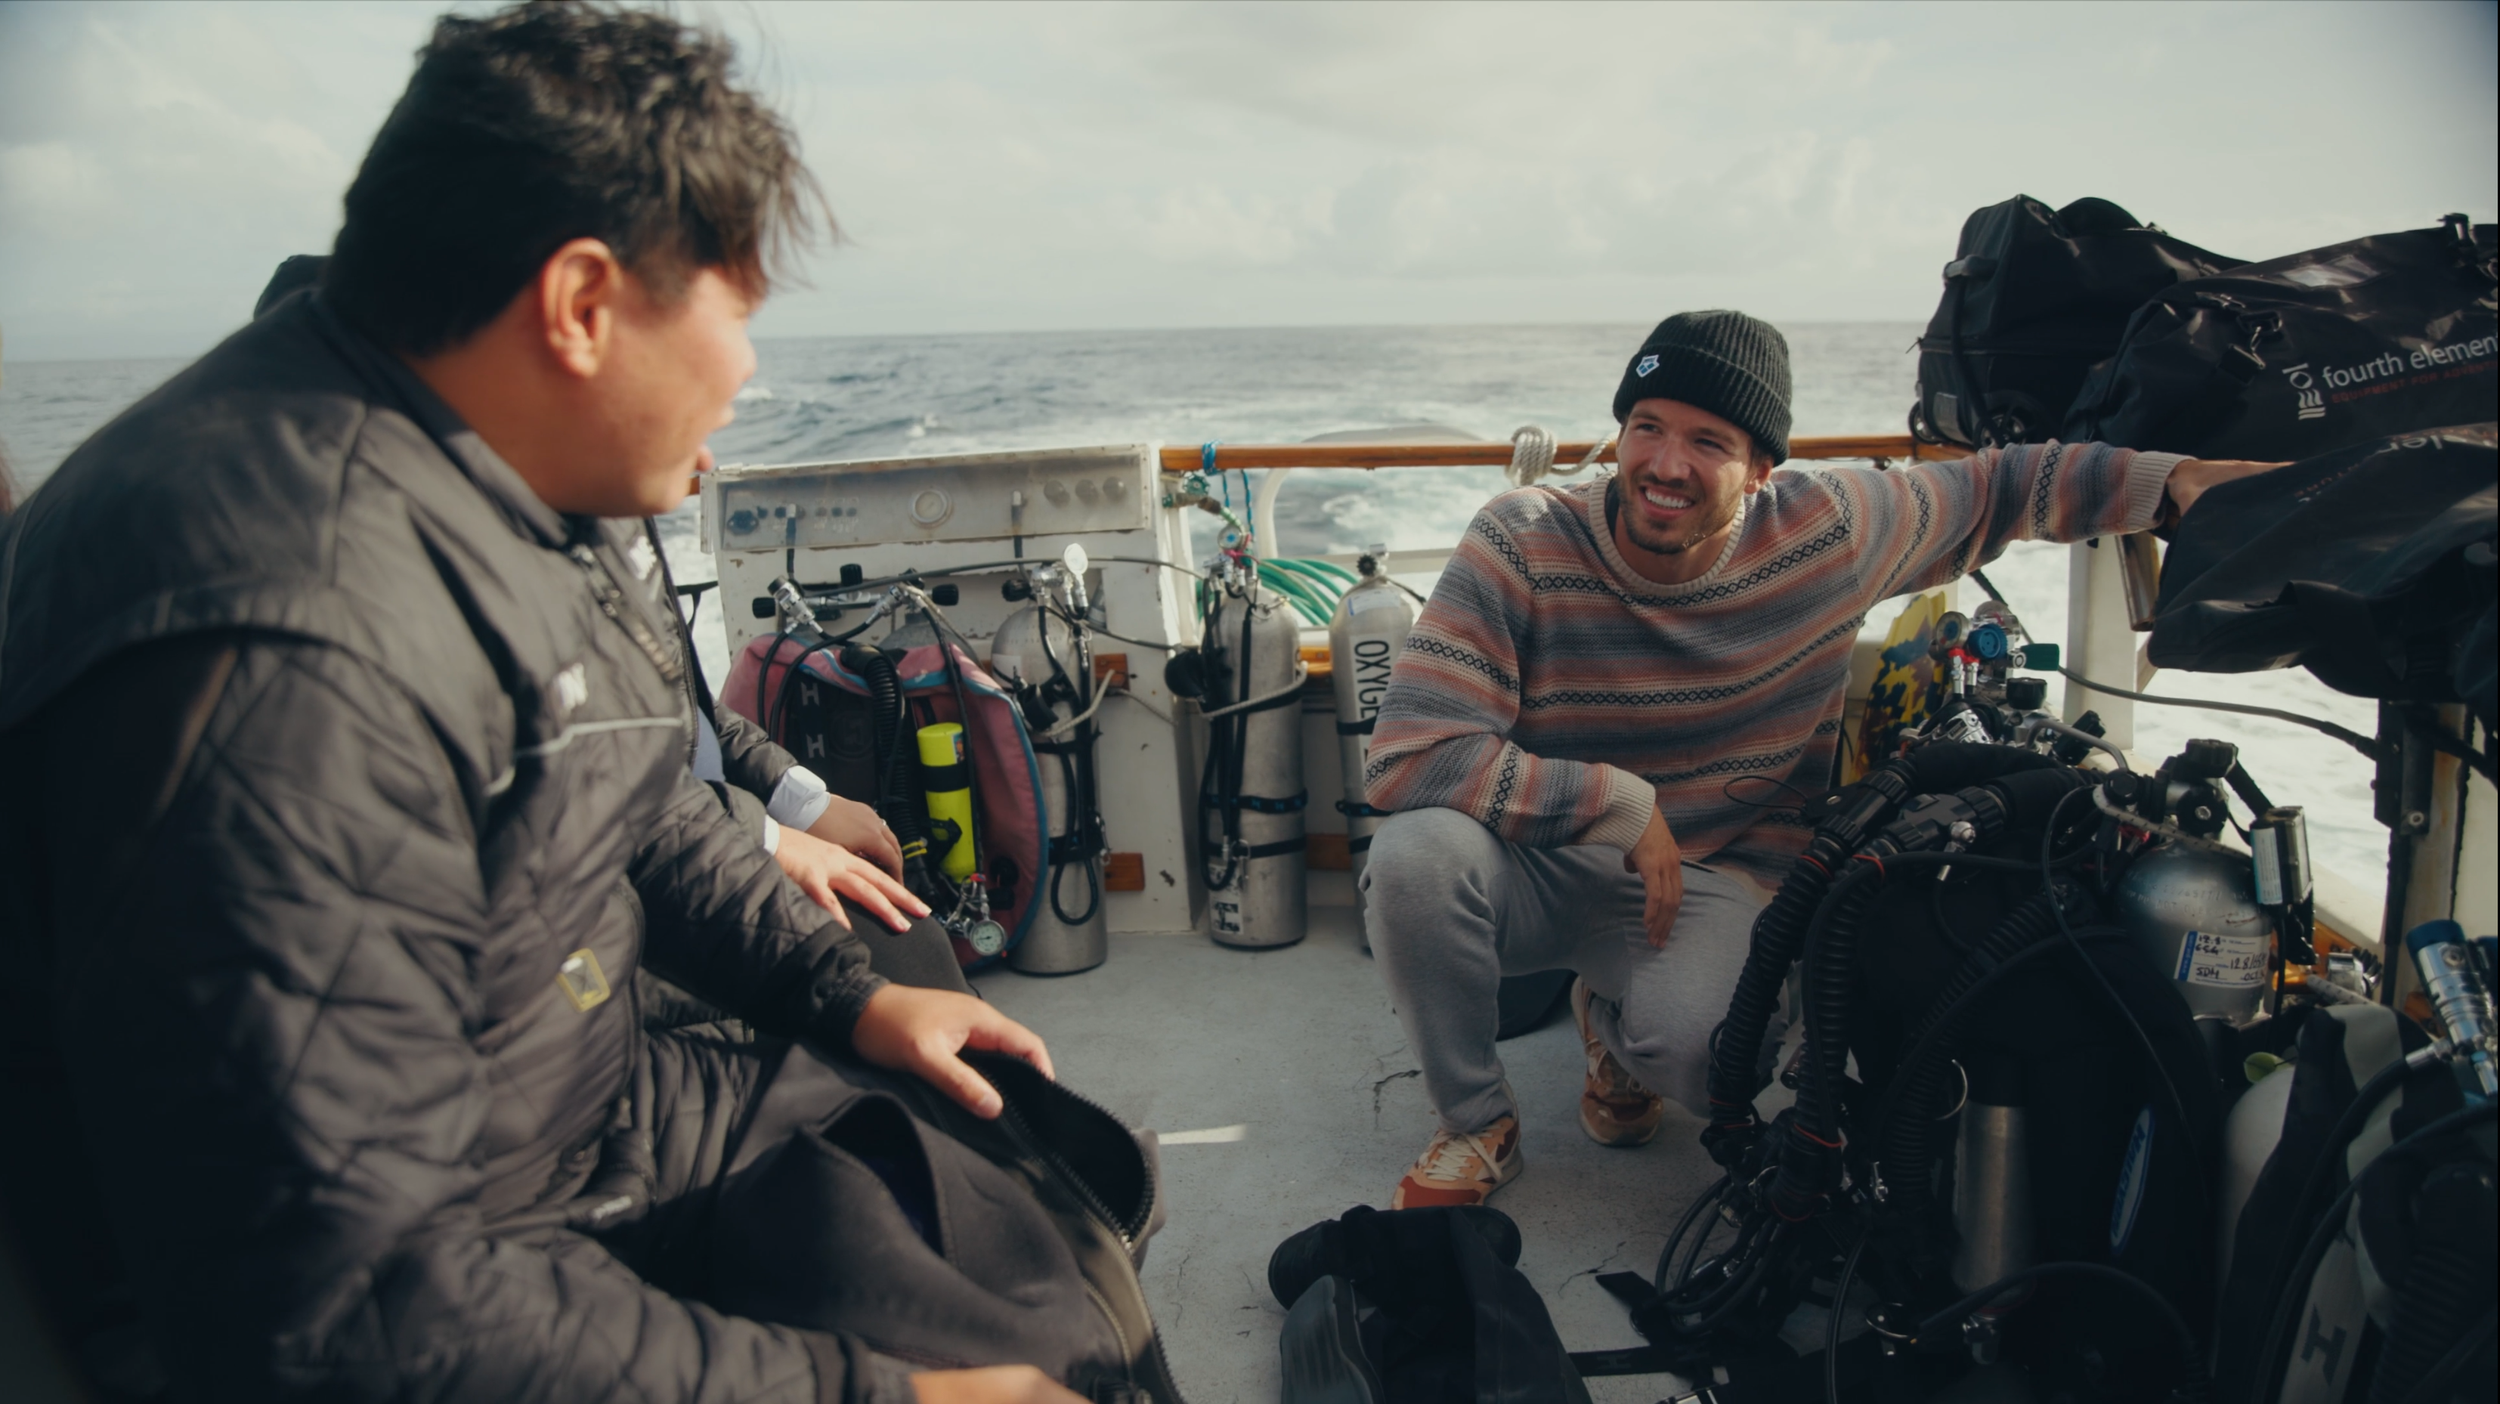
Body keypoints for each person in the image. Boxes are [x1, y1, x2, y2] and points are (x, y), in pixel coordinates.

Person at [0, 8, 1080, 1404]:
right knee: (1034, 1358)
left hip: (580, 1113)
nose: (748, 375)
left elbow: (628, 793)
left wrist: (843, 997)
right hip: (451, 1268)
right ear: (579, 307)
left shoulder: (500, 476)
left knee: (1045, 1183)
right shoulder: (283, 655)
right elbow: (354, 1317)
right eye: (734, 310)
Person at [1359, 309, 2281, 1208]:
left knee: (1715, 1054)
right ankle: (1479, 1119)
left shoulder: (1832, 529)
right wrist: (1615, 802)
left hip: (1718, 866)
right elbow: (1410, 755)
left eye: (1708, 442)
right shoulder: (1521, 538)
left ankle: (1613, 1025)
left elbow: (2006, 488)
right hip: (1543, 856)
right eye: (1647, 428)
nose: (1665, 465)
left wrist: (2177, 482)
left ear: (1763, 468)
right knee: (1412, 860)